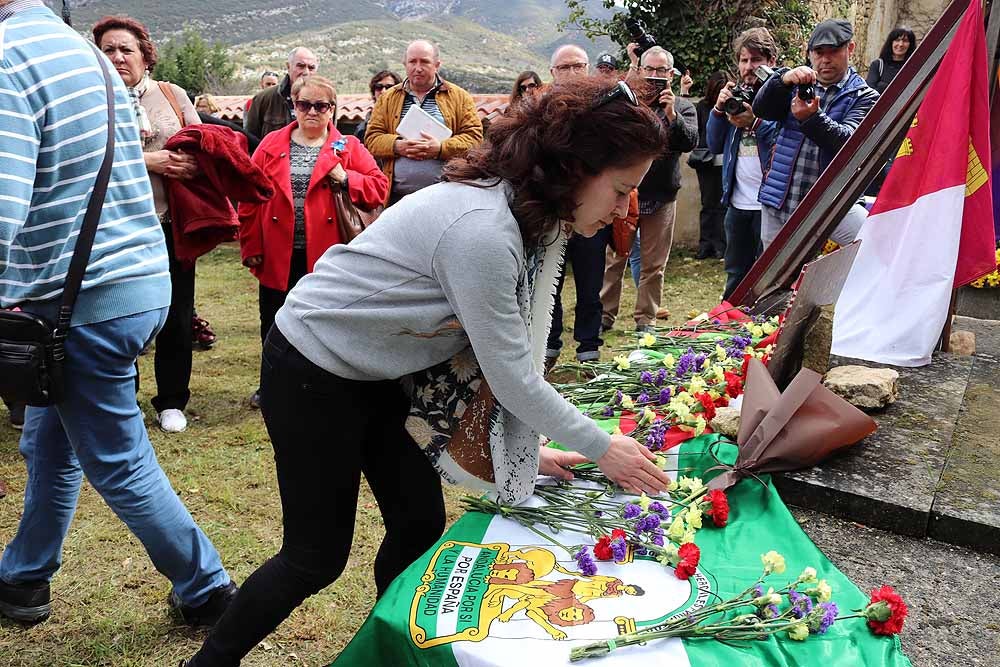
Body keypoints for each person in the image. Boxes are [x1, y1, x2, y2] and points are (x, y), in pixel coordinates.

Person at [182, 77, 670, 666]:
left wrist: (526, 450)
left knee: (417, 523)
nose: (626, 210)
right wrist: (602, 447)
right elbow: (513, 375)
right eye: (620, 191)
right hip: (313, 368)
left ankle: (390, 649)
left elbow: (478, 359)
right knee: (315, 557)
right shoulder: (483, 231)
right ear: (573, 167)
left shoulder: (524, 218)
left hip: (382, 370)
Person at [0, 0, 235, 626]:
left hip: (79, 302)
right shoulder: (83, 55)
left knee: (118, 459)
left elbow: (1, 207)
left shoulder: (8, 62)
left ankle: (207, 588)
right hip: (131, 280)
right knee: (50, 443)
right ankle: (22, 578)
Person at [240, 76, 388, 409]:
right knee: (275, 320)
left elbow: (378, 188)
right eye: (304, 104)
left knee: (324, 322)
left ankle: (323, 384)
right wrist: (251, 246)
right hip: (279, 253)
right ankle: (271, 386)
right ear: (293, 104)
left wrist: (347, 177)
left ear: (332, 110)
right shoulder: (271, 144)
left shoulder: (348, 146)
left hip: (327, 257)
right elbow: (248, 197)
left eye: (321, 106)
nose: (311, 111)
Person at [94, 16, 205, 434]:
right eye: (108, 50)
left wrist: (189, 162)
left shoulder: (171, 95)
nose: (118, 57)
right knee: (122, 315)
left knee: (178, 313)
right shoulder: (93, 97)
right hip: (114, 227)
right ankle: (125, 399)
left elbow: (201, 147)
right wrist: (147, 161)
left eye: (126, 49)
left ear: (145, 56)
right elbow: (86, 160)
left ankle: (172, 400)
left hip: (171, 223)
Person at [752, 18, 879, 250]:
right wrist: (781, 80)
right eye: (819, 53)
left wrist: (811, 118)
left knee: (871, 248)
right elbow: (760, 109)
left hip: (833, 203)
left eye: (834, 51)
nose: (825, 59)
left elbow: (848, 143)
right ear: (809, 54)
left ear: (850, 49)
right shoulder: (793, 83)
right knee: (775, 278)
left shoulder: (865, 96)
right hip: (781, 200)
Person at [600, 45, 698, 333]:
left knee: (654, 265)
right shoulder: (627, 103)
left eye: (661, 70)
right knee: (615, 257)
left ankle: (646, 319)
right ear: (640, 70)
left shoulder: (682, 106)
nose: (655, 76)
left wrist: (670, 114)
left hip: (662, 196)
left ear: (671, 74)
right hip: (623, 195)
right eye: (650, 69)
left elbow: (689, 141)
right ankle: (604, 315)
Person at [544, 44, 612, 367]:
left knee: (590, 282)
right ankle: (549, 344)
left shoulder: (604, 109)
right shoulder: (540, 111)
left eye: (578, 65)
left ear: (588, 69)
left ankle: (589, 348)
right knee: (549, 284)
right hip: (552, 212)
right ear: (552, 73)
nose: (572, 72)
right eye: (564, 67)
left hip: (591, 211)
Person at [365, 39, 483, 206]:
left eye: (425, 62)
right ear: (405, 64)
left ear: (437, 64)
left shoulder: (459, 97)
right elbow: (371, 139)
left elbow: (475, 139)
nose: (418, 68)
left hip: (446, 199)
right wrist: (398, 146)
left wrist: (440, 149)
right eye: (412, 61)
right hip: (396, 200)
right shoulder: (387, 98)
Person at [709, 27, 780, 300]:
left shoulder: (780, 96)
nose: (748, 67)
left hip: (769, 205)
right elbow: (714, 144)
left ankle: (763, 326)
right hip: (737, 203)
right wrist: (718, 109)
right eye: (743, 60)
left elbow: (783, 142)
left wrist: (755, 122)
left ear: (771, 61)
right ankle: (729, 323)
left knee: (767, 273)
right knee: (736, 271)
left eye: (755, 60)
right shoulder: (736, 95)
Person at [692, 71, 729, 260]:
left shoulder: (730, 106)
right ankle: (705, 245)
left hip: (725, 162)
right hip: (705, 162)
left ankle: (721, 246)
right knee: (708, 204)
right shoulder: (702, 107)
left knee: (722, 205)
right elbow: (696, 132)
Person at [244, 47, 319, 141]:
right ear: (288, 66)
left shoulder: (326, 102)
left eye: (311, 68)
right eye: (301, 66)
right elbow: (249, 142)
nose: (306, 72)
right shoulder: (263, 99)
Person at [354, 69, 401, 141]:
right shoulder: (363, 129)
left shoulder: (406, 119)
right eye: (379, 87)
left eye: (389, 87)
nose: (383, 91)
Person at [866, 27, 916, 94]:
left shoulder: (913, 67)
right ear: (891, 42)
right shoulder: (878, 65)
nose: (901, 44)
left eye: (905, 41)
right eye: (897, 40)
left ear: (910, 45)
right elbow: (869, 93)